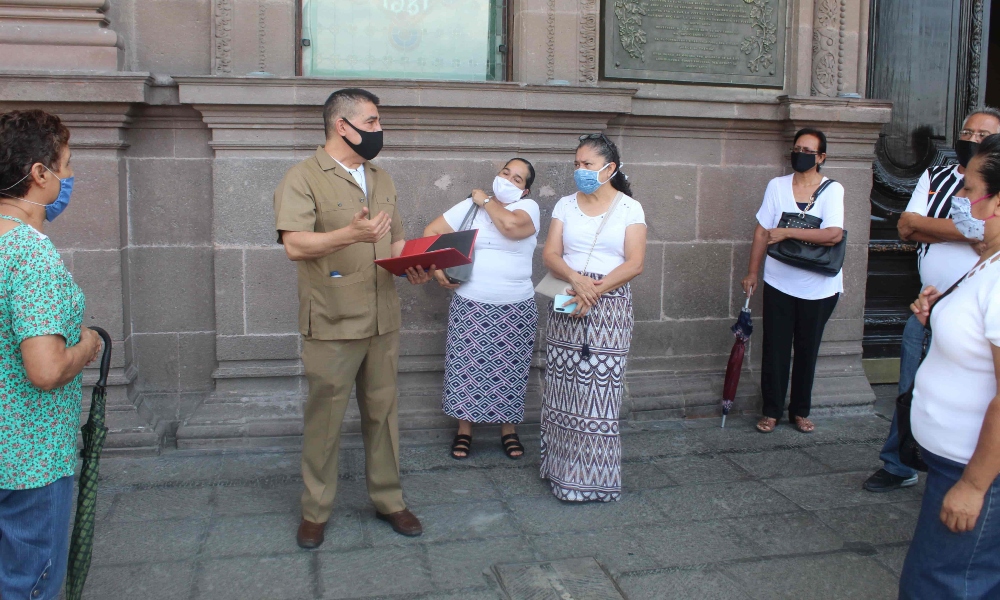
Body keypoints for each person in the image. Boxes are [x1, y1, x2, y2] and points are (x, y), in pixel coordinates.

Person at [273, 88, 433, 549]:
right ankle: (315, 511)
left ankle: (389, 500)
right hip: (333, 320)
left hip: (383, 318)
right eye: (373, 121)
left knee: (383, 414)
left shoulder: (381, 178)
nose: (379, 130)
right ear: (342, 125)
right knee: (325, 419)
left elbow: (396, 244)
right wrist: (351, 233)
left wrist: (419, 265)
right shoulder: (303, 177)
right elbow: (295, 245)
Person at [864, 108, 1000, 493]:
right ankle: (901, 460)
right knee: (912, 389)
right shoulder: (937, 176)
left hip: (970, 314)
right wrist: (963, 230)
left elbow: (979, 236)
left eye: (983, 135)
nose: (971, 140)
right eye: (967, 132)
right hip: (929, 307)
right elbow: (907, 226)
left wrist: (940, 229)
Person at [0, 110, 102, 599]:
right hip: (29, 456)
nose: (69, 177)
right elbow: (44, 369)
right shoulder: (29, 253)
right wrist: (88, 344)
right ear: (39, 174)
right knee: (29, 582)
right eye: (65, 165)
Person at [898, 135, 1000, 599]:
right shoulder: (987, 261)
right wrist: (937, 311)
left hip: (973, 472)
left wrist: (974, 486)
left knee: (942, 586)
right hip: (949, 464)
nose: (957, 198)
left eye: (968, 188)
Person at [538, 133, 645, 502]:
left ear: (609, 168)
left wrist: (594, 290)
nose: (580, 171)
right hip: (568, 299)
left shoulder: (631, 208)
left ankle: (591, 481)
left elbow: (635, 263)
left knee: (598, 394)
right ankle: (559, 471)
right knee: (563, 389)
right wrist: (576, 281)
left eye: (587, 164)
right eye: (576, 164)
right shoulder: (566, 205)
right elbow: (551, 254)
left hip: (608, 307)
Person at [424, 159, 541, 460]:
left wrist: (486, 200)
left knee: (511, 370)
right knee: (466, 369)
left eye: (516, 179)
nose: (507, 179)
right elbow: (431, 233)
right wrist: (437, 269)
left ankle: (508, 429)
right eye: (505, 173)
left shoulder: (528, 210)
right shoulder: (470, 208)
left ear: (525, 190)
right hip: (471, 302)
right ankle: (465, 430)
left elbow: (511, 227)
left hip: (516, 305)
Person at [742, 128, 844, 434]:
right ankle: (771, 411)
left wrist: (787, 231)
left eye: (808, 151)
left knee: (807, 349)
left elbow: (833, 234)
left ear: (821, 157)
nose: (800, 154)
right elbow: (762, 231)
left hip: (820, 287)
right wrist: (752, 272)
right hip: (779, 280)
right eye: (797, 148)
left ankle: (800, 410)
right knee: (775, 347)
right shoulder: (777, 186)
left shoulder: (832, 190)